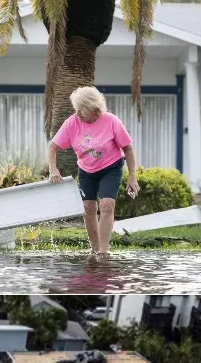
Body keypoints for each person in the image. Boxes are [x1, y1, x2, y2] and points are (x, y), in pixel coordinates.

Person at [47, 86, 140, 257]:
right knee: (88, 207)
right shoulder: (72, 122)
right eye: (77, 109)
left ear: (93, 108)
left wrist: (132, 177)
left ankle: (103, 251)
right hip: (86, 169)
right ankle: (95, 248)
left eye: (82, 109)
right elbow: (52, 147)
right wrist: (53, 170)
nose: (78, 114)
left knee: (107, 204)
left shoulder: (111, 121)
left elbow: (127, 148)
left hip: (111, 167)